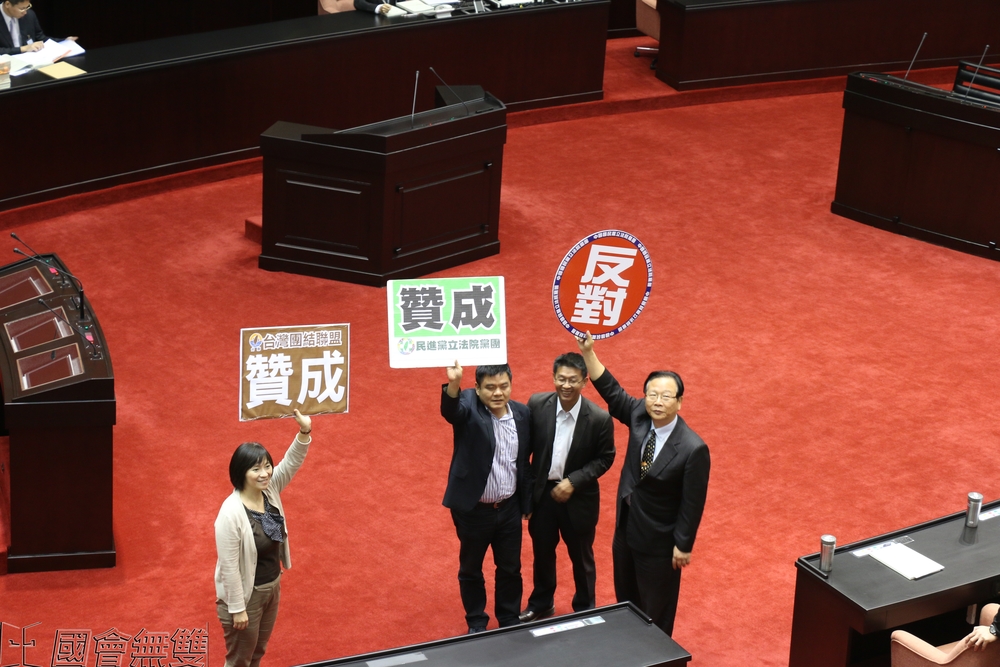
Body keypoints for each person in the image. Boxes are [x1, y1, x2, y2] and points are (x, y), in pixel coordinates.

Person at [576, 332, 710, 636]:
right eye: (652, 395)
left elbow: (692, 503)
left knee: (656, 609)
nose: (658, 402)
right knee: (626, 602)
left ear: (679, 402)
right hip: (626, 529)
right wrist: (588, 353)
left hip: (660, 542)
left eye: (666, 397)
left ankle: (659, 654)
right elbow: (612, 391)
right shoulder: (639, 415)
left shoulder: (692, 448)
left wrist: (683, 545)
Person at [519, 352, 615, 623]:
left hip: (579, 499)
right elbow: (524, 452)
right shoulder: (537, 405)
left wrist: (574, 481)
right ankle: (542, 603)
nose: (566, 385)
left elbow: (605, 458)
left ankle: (585, 608)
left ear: (585, 381)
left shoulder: (598, 418)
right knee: (542, 553)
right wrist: (526, 498)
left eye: (573, 380)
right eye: (561, 379)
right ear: (553, 377)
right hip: (543, 497)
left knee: (582, 557)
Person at [215, 409, 313, 667]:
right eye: (256, 469)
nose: (265, 473)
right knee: (239, 660)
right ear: (240, 473)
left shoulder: (269, 490)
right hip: (247, 597)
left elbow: (290, 462)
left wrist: (304, 432)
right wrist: (237, 608)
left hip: (271, 587)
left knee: (257, 653)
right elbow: (229, 567)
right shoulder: (230, 513)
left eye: (267, 466)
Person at [440, 361, 532, 633]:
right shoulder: (469, 406)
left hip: (509, 508)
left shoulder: (522, 414)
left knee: (510, 568)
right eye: (490, 387)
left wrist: (526, 503)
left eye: (504, 386)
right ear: (477, 388)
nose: (498, 393)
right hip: (474, 510)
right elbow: (451, 411)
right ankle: (477, 622)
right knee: (471, 569)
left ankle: (509, 618)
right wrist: (454, 383)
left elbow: (524, 462)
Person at [0, 0, 76, 56]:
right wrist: (23, 49)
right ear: (7, 4)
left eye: (27, 7)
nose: (25, 12)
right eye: (22, 8)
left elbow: (41, 38)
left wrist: (64, 41)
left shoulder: (29, 15)